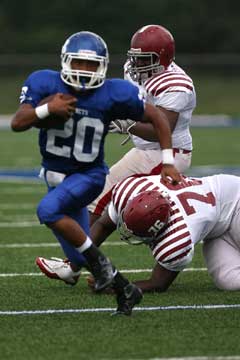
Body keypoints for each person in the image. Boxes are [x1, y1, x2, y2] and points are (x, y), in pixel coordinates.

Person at [11, 31, 180, 313]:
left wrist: (168, 161)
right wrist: (46, 109)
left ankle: (103, 270)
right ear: (65, 62)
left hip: (88, 176)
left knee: (48, 211)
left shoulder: (113, 92)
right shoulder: (44, 82)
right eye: (78, 63)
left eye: (91, 64)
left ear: (103, 66)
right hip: (55, 177)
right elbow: (18, 122)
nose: (84, 70)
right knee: (78, 256)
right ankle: (124, 288)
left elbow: (156, 117)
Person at [39, 173, 240, 293]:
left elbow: (158, 283)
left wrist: (118, 286)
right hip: (216, 228)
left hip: (236, 203)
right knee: (228, 282)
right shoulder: (130, 191)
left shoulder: (177, 238)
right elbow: (103, 225)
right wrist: (78, 262)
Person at [88, 24, 196, 225]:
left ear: (162, 58)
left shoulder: (175, 84)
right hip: (147, 151)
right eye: (135, 56)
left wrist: (127, 124)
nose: (137, 63)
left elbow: (160, 131)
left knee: (101, 195)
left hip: (168, 154)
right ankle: (84, 255)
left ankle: (76, 254)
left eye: (145, 59)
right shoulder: (132, 68)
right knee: (120, 209)